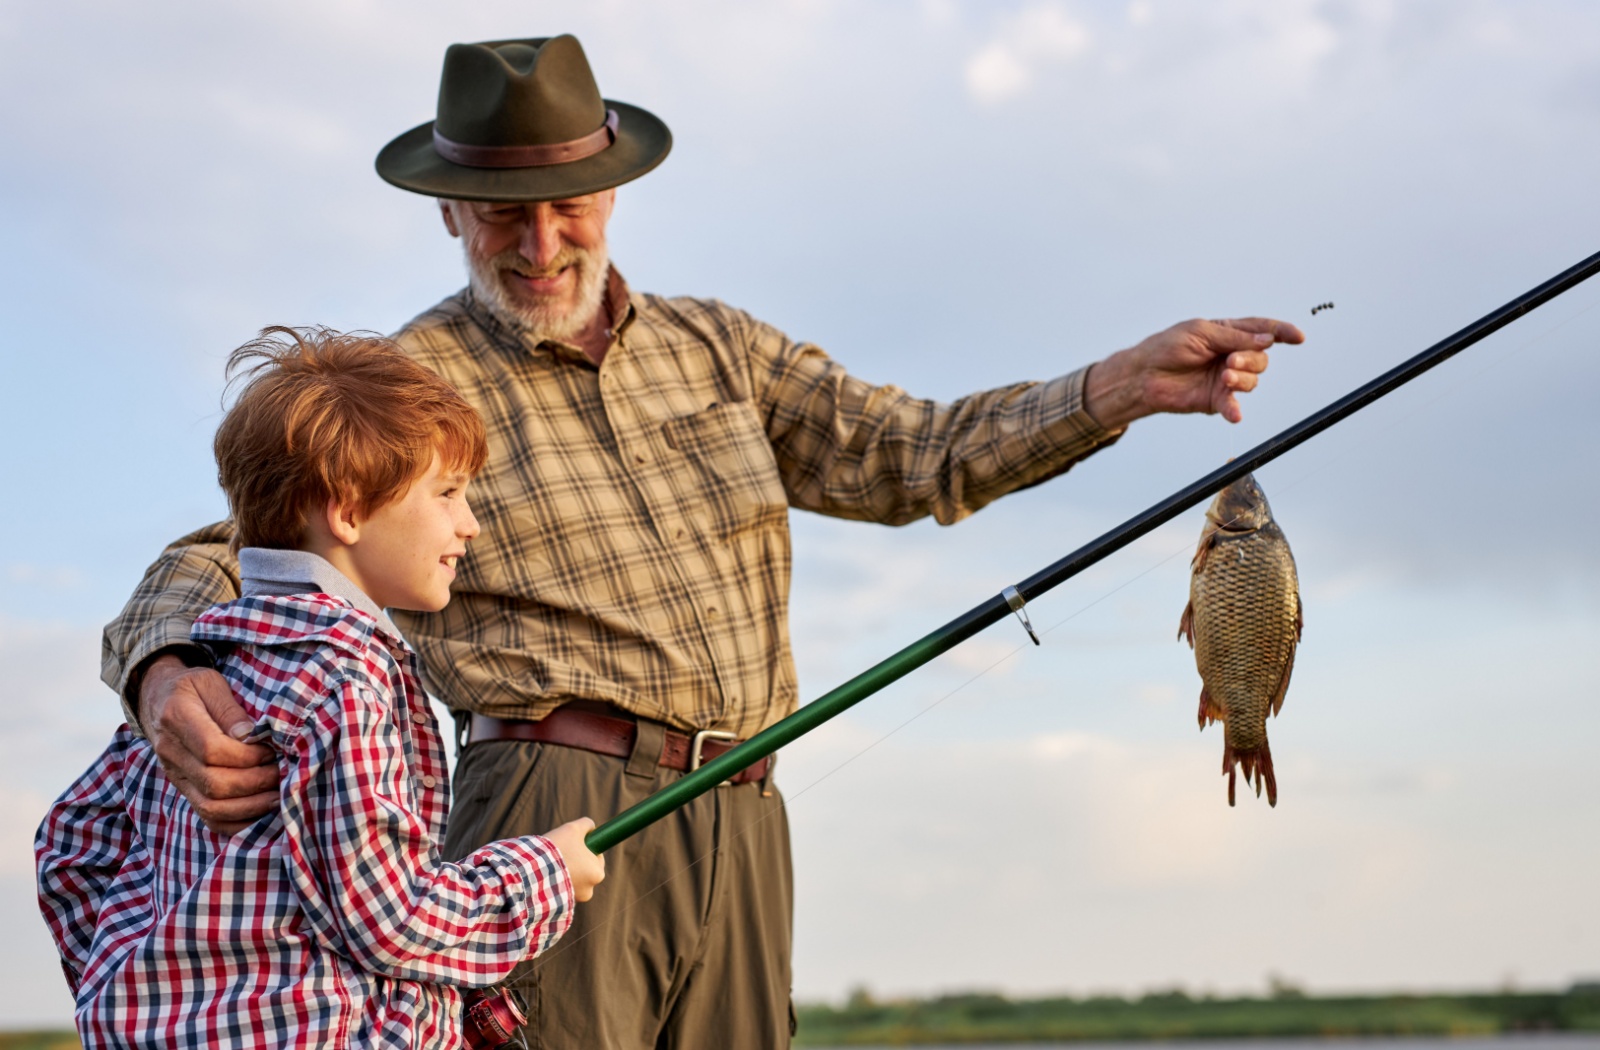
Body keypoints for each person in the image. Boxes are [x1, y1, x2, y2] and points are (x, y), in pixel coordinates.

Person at [100, 36, 1304, 1049]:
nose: (538, 245)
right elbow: (227, 551)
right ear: (452, 210)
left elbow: (915, 454)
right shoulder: (412, 384)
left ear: (613, 190)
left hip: (749, 801)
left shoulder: (721, 346)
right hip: (548, 812)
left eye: (565, 207)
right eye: (501, 217)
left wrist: (1121, 384)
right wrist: (164, 670)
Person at [41, 328, 605, 1048]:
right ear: (345, 510)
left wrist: (153, 993)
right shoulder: (344, 671)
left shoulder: (209, 666)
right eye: (448, 493)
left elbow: (72, 846)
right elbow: (388, 919)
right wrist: (542, 874)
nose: (469, 524)